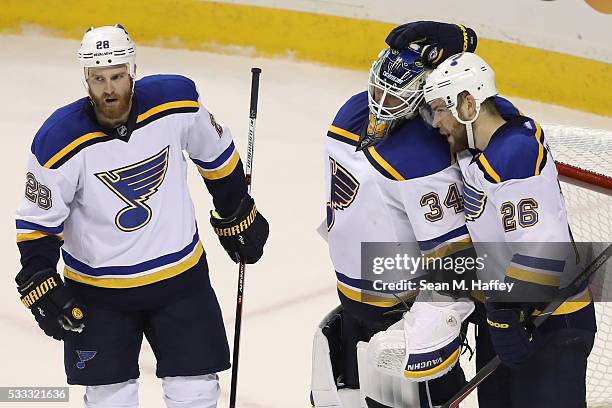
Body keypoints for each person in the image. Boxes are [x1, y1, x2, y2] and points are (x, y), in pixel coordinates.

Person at [15, 24, 268, 408]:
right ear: (86, 77)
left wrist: (235, 210)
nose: (109, 89)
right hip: (99, 295)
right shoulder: (58, 142)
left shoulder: (175, 102)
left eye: (116, 75)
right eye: (98, 78)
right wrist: (42, 280)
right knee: (109, 401)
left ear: (132, 70)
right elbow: (37, 225)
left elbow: (216, 154)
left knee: (196, 394)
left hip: (181, 281)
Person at [310, 22, 481, 408]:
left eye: (396, 96)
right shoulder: (352, 113)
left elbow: (456, 265)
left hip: (400, 318)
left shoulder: (426, 159)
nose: (381, 102)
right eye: (380, 89)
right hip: (353, 304)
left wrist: (421, 335)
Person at [423, 52, 596, 408]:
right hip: (509, 319)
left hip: (551, 324)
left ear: (468, 105)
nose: (435, 121)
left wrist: (503, 313)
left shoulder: (515, 155)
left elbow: (543, 254)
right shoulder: (479, 145)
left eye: (440, 109)